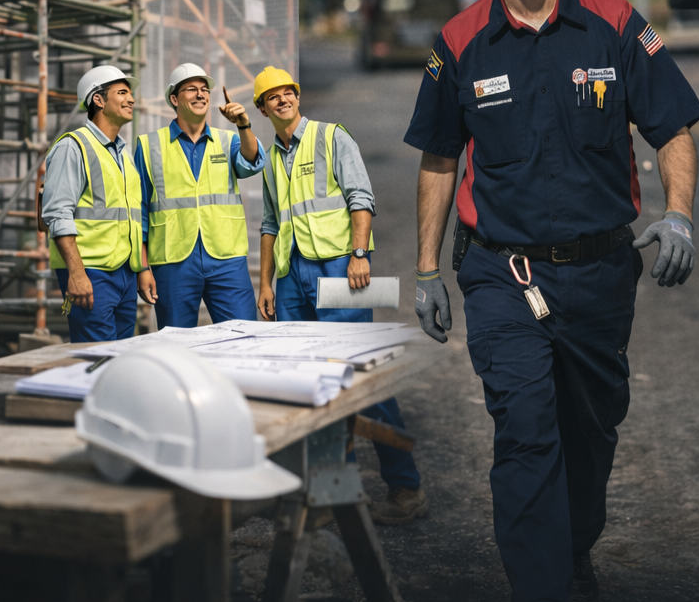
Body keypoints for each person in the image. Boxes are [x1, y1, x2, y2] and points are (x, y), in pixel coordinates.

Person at [405, 0, 699, 602]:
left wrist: (677, 213)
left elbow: (674, 126)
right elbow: (438, 157)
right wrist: (427, 269)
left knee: (590, 427)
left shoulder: (613, 26)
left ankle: (570, 554)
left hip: (601, 273)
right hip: (500, 273)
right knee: (525, 429)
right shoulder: (460, 41)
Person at [253, 66, 427, 526]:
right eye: (272, 96)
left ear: (297, 96)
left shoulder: (331, 137)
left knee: (359, 379)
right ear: (263, 108)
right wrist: (266, 281)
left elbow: (360, 197)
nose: (282, 99)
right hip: (292, 278)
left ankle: (405, 486)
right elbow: (270, 224)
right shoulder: (271, 159)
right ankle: (335, 492)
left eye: (288, 91)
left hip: (341, 271)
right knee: (308, 384)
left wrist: (359, 254)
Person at [134, 63, 266, 328]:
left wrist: (244, 125)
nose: (200, 95)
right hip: (173, 261)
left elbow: (253, 161)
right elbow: (138, 215)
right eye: (191, 89)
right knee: (176, 345)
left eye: (204, 90)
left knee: (244, 336)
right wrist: (142, 267)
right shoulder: (149, 146)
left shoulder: (229, 139)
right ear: (174, 98)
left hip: (226, 257)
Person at [41, 66, 159, 342]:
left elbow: (133, 219)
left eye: (130, 94)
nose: (131, 99)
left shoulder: (125, 153)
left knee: (120, 358)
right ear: (98, 100)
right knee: (97, 358)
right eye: (122, 93)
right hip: (91, 272)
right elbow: (57, 214)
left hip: (125, 273)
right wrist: (77, 274)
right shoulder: (73, 146)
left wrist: (142, 269)